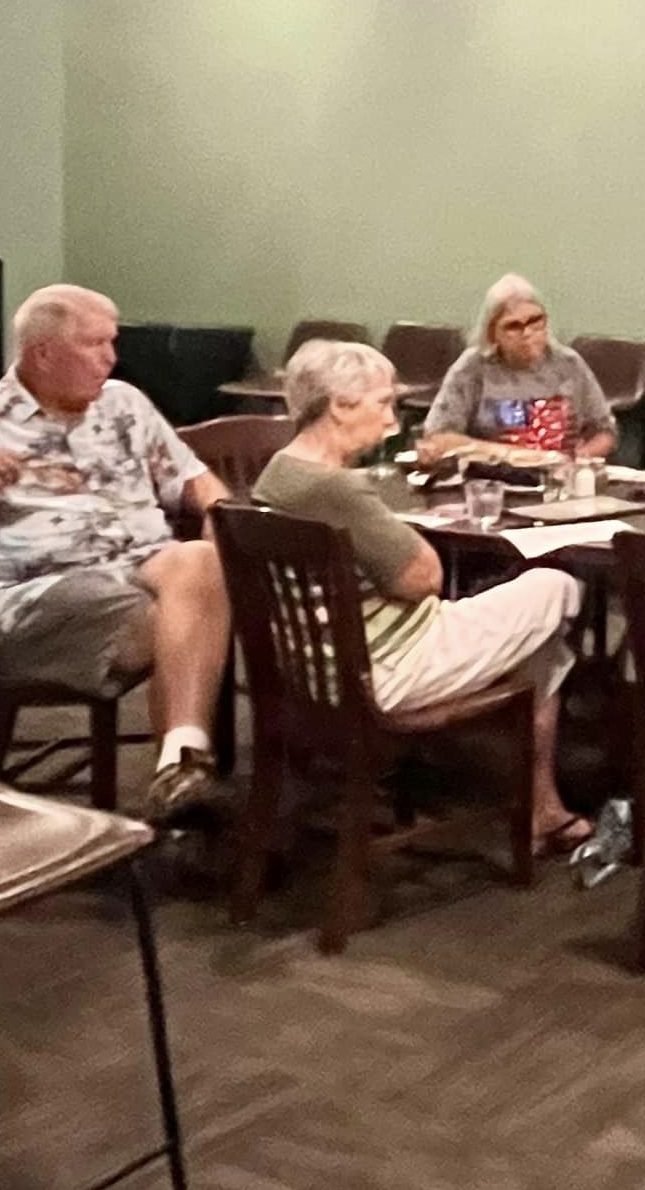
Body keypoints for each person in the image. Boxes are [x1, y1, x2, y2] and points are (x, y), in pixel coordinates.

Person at [252, 341, 591, 851]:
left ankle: (540, 804)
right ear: (340, 406)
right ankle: (540, 805)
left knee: (538, 639)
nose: (392, 419)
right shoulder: (337, 490)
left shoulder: (277, 474)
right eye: (383, 403)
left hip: (313, 671)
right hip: (389, 669)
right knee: (555, 585)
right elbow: (424, 579)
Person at [0, 284, 234, 827]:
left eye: (112, 342)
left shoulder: (124, 403)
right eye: (95, 344)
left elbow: (194, 478)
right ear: (43, 353)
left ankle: (181, 761)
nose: (111, 357)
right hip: (42, 595)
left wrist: (222, 515)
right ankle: (183, 781)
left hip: (141, 563)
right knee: (196, 618)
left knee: (201, 560)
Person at [419, 274, 615, 462]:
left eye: (535, 320)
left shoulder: (569, 364)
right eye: (513, 326)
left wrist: (579, 460)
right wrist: (515, 456)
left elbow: (604, 431)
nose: (527, 333)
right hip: (492, 477)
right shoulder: (472, 368)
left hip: (561, 476)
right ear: (492, 333)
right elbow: (438, 436)